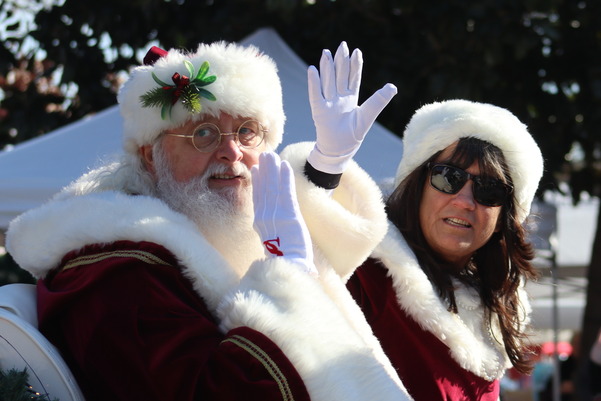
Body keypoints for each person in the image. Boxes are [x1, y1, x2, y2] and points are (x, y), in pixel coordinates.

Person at [5, 41, 412, 400]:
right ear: (151, 155)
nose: (232, 152)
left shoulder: (217, 237)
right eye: (203, 133)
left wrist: (323, 172)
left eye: (248, 132)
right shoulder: (119, 271)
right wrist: (288, 278)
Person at [343, 99, 544, 400]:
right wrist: (323, 174)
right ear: (417, 186)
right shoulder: (361, 271)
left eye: (489, 190)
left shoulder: (496, 311)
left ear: (505, 218)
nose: (464, 200)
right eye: (447, 177)